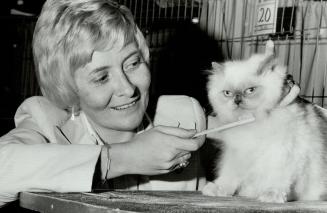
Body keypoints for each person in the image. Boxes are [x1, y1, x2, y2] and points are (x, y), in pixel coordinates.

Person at [0, 0, 208, 208]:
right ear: (68, 86)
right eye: (101, 78)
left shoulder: (183, 113)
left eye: (133, 63)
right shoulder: (47, 122)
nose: (127, 89)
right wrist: (123, 157)